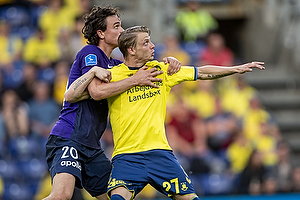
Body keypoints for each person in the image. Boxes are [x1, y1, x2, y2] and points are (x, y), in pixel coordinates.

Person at [65, 25, 265, 200]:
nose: (152, 46)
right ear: (131, 49)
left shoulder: (161, 70)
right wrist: (92, 72)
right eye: (146, 43)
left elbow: (201, 72)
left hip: (160, 153)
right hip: (127, 156)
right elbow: (74, 95)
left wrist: (236, 68)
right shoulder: (112, 75)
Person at [44, 5, 181, 200]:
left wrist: (170, 61)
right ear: (100, 33)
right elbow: (92, 92)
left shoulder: (116, 66)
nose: (122, 31)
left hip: (92, 146)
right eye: (116, 26)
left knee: (115, 197)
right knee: (61, 197)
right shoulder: (90, 53)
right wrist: (101, 73)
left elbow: (140, 68)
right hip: (69, 137)